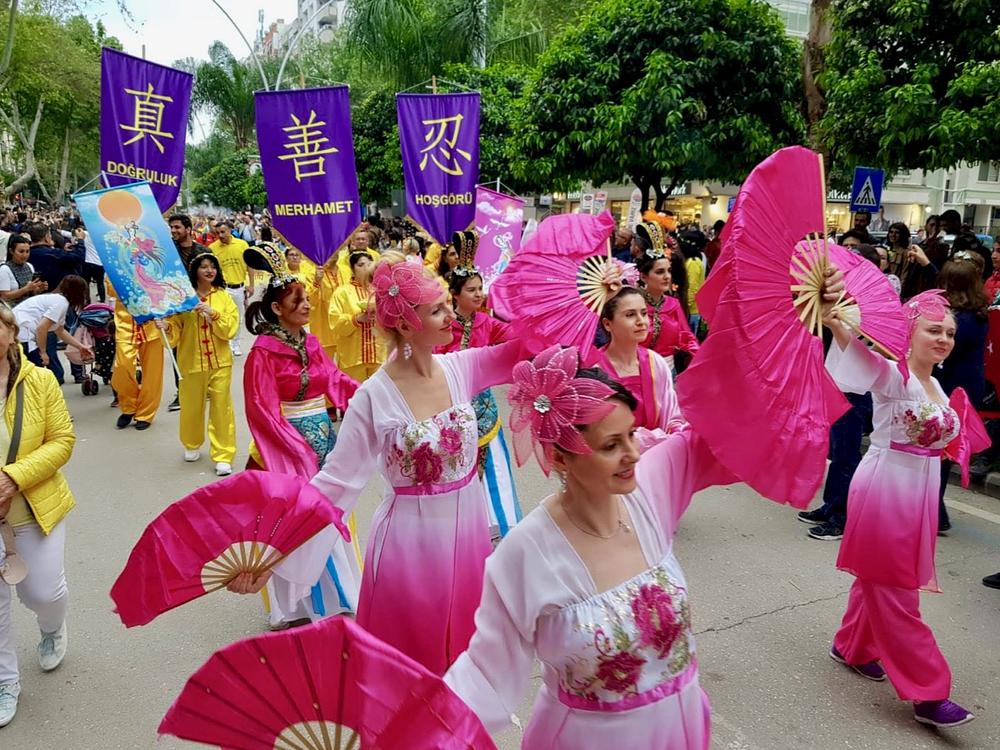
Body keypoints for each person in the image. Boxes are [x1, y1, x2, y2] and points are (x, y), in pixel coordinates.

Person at [443, 320, 841, 746]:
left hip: (680, 725)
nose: (633, 452)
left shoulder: (651, 484)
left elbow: (736, 424)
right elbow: (485, 672)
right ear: (561, 458)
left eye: (631, 433)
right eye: (611, 445)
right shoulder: (525, 554)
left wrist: (793, 328)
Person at [302, 253, 526, 676]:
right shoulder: (374, 396)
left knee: (465, 661)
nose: (450, 317)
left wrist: (585, 305)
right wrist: (273, 550)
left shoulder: (461, 366)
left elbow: (524, 349)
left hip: (468, 535)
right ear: (405, 324)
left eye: (446, 305)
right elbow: (336, 481)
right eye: (437, 310)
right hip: (410, 546)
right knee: (410, 671)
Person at [822, 290, 976, 729]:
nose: (943, 338)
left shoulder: (936, 385)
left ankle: (851, 647)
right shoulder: (895, 375)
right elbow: (860, 362)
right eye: (933, 329)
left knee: (879, 578)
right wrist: (840, 326)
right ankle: (929, 693)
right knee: (897, 590)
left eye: (949, 331)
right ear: (910, 332)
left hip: (921, 492)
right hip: (886, 487)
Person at [239, 243, 360, 629]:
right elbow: (262, 410)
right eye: (299, 300)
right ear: (277, 308)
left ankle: (337, 595)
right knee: (292, 522)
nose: (308, 305)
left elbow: (334, 380)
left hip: (322, 443)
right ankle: (293, 606)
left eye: (307, 298)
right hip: (284, 451)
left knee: (328, 515)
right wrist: (293, 449)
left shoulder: (310, 343)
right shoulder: (263, 352)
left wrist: (372, 395)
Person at [0, 304, 76, 728]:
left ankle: (52, 628)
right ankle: (5, 681)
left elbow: (62, 440)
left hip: (32, 509)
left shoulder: (41, 381)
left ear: (11, 332)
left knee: (40, 594)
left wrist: (13, 478)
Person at [438, 261, 522, 542]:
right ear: (455, 294)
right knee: (457, 471)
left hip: (485, 411)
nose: (478, 295)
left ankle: (497, 527)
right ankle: (460, 531)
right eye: (471, 290)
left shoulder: (486, 322)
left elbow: (515, 338)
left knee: (494, 470)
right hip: (450, 407)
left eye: (480, 289)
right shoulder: (443, 324)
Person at [158, 254, 239, 477]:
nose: (209, 270)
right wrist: (166, 327)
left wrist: (213, 313)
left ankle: (223, 455)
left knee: (222, 409)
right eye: (204, 267)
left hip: (220, 362)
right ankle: (191, 443)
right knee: (191, 406)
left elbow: (231, 328)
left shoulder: (224, 297)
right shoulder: (182, 299)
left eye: (213, 267)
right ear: (195, 271)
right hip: (191, 361)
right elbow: (175, 329)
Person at [935, 259, 989, 529]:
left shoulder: (961, 321)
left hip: (953, 389)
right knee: (945, 448)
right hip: (968, 387)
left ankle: (936, 514)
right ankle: (936, 512)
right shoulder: (977, 314)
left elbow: (944, 356)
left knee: (941, 449)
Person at [589, 286, 683, 435]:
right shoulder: (594, 371)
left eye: (644, 313)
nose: (641, 321)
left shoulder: (656, 362)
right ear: (608, 324)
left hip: (659, 453)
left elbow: (672, 416)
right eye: (630, 315)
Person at [635, 232, 698, 372]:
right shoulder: (634, 304)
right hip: (639, 370)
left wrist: (700, 358)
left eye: (669, 271)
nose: (667, 277)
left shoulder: (673, 304)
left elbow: (687, 337)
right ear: (644, 277)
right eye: (659, 272)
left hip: (668, 372)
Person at [12, 276, 91, 384]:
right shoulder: (60, 303)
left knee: (42, 375)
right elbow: (42, 328)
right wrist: (43, 352)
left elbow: (60, 331)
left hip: (19, 332)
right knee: (41, 375)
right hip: (23, 335)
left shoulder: (58, 300)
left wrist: (80, 346)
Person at [109, 284, 164, 432]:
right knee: (122, 367)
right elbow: (111, 289)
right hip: (125, 324)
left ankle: (146, 414)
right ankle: (129, 406)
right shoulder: (114, 262)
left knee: (153, 373)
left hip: (152, 323)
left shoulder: (153, 261)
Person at [330, 251, 383, 382]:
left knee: (380, 395)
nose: (366, 267)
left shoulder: (381, 290)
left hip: (380, 353)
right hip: (353, 356)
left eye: (369, 264)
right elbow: (335, 323)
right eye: (361, 265)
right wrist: (357, 319)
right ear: (353, 269)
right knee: (354, 396)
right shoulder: (342, 293)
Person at [208, 220, 251, 358]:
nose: (220, 235)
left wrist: (251, 284)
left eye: (223, 232)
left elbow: (249, 265)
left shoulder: (242, 244)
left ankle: (236, 343)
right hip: (222, 288)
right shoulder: (212, 248)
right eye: (217, 232)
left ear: (230, 230)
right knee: (220, 316)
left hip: (239, 287)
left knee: (238, 317)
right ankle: (223, 342)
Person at [0, 235, 46, 307]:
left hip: (29, 305)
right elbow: (4, 297)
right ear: (11, 251)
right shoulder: (4, 269)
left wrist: (39, 289)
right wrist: (26, 289)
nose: (25, 255)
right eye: (21, 251)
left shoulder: (29, 266)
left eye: (27, 251)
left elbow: (31, 294)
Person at [79, 226, 105, 303]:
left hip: (88, 262)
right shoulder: (102, 237)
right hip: (99, 263)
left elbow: (72, 234)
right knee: (100, 283)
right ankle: (102, 300)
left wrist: (61, 231)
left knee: (87, 283)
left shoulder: (87, 234)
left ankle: (87, 301)